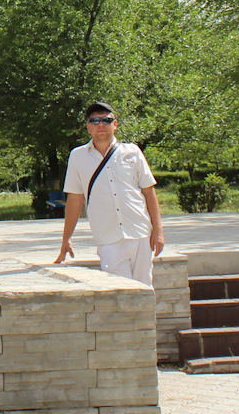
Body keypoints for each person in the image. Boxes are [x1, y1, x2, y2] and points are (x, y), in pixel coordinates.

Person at [54, 101, 165, 284]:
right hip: (108, 237)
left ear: (115, 124)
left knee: (145, 290)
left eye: (106, 120)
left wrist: (158, 231)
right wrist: (67, 239)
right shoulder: (78, 156)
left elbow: (148, 192)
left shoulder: (132, 152)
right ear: (88, 127)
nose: (101, 125)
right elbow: (75, 199)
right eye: (95, 121)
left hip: (139, 232)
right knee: (120, 292)